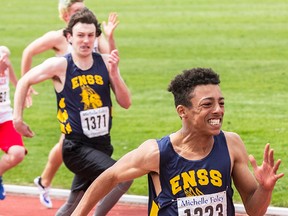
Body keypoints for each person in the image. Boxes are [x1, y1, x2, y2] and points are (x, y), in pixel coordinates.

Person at [71, 67, 284, 216]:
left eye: (221, 102)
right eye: (207, 104)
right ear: (183, 111)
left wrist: (265, 189)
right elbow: (109, 177)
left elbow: (254, 210)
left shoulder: (231, 144)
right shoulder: (157, 153)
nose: (218, 110)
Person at [14, 8, 133, 215]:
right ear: (69, 37)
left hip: (102, 144)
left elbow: (125, 102)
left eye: (90, 35)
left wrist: (115, 73)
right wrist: (18, 119)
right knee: (123, 176)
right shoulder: (60, 65)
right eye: (80, 35)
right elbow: (25, 80)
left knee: (73, 205)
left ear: (96, 37)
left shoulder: (104, 63)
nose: (85, 41)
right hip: (75, 148)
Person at [0, 46, 27, 200]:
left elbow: (7, 64)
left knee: (17, 153)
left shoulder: (2, 54)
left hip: (4, 117)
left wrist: (21, 89)